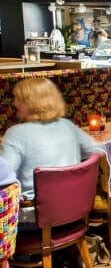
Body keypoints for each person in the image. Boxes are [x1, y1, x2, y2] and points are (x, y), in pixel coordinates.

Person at [0, 78, 104, 224]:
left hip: (35, 219)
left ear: (31, 102)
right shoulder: (67, 126)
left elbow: (4, 177)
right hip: (76, 211)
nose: (14, 103)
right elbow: (98, 150)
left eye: (19, 99)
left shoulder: (16, 134)